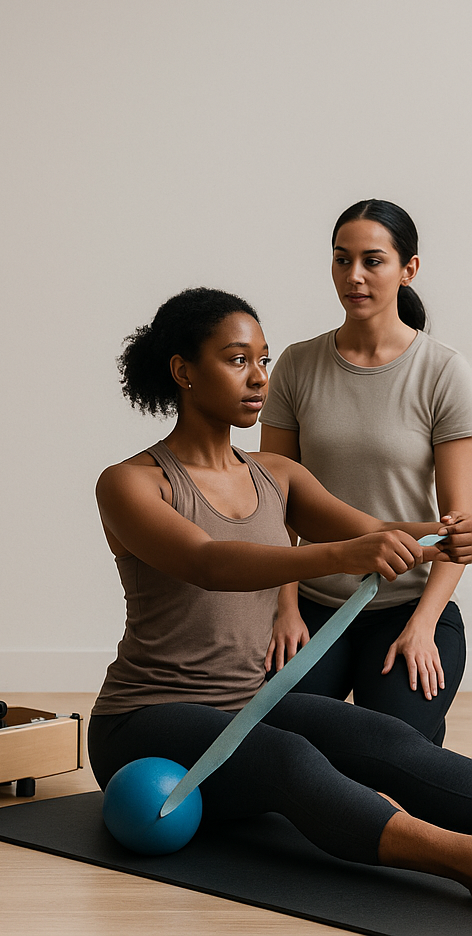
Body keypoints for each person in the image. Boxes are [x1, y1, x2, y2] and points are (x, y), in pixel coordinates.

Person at [90, 288, 472, 890]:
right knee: (290, 759)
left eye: (263, 361)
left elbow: (377, 533)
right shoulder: (132, 483)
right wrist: (349, 553)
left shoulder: (278, 475)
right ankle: (462, 860)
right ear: (183, 372)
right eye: (237, 359)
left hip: (247, 703)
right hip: (142, 721)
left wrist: (447, 536)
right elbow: (209, 561)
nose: (259, 378)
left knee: (385, 740)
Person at [260, 200, 472, 746]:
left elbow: (458, 523)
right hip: (309, 601)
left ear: (409, 269)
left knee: (396, 750)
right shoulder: (296, 365)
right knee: (283, 742)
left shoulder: (443, 371)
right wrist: (284, 609)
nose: (353, 276)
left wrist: (422, 625)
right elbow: (273, 504)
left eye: (372, 261)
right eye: (341, 259)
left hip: (406, 603)